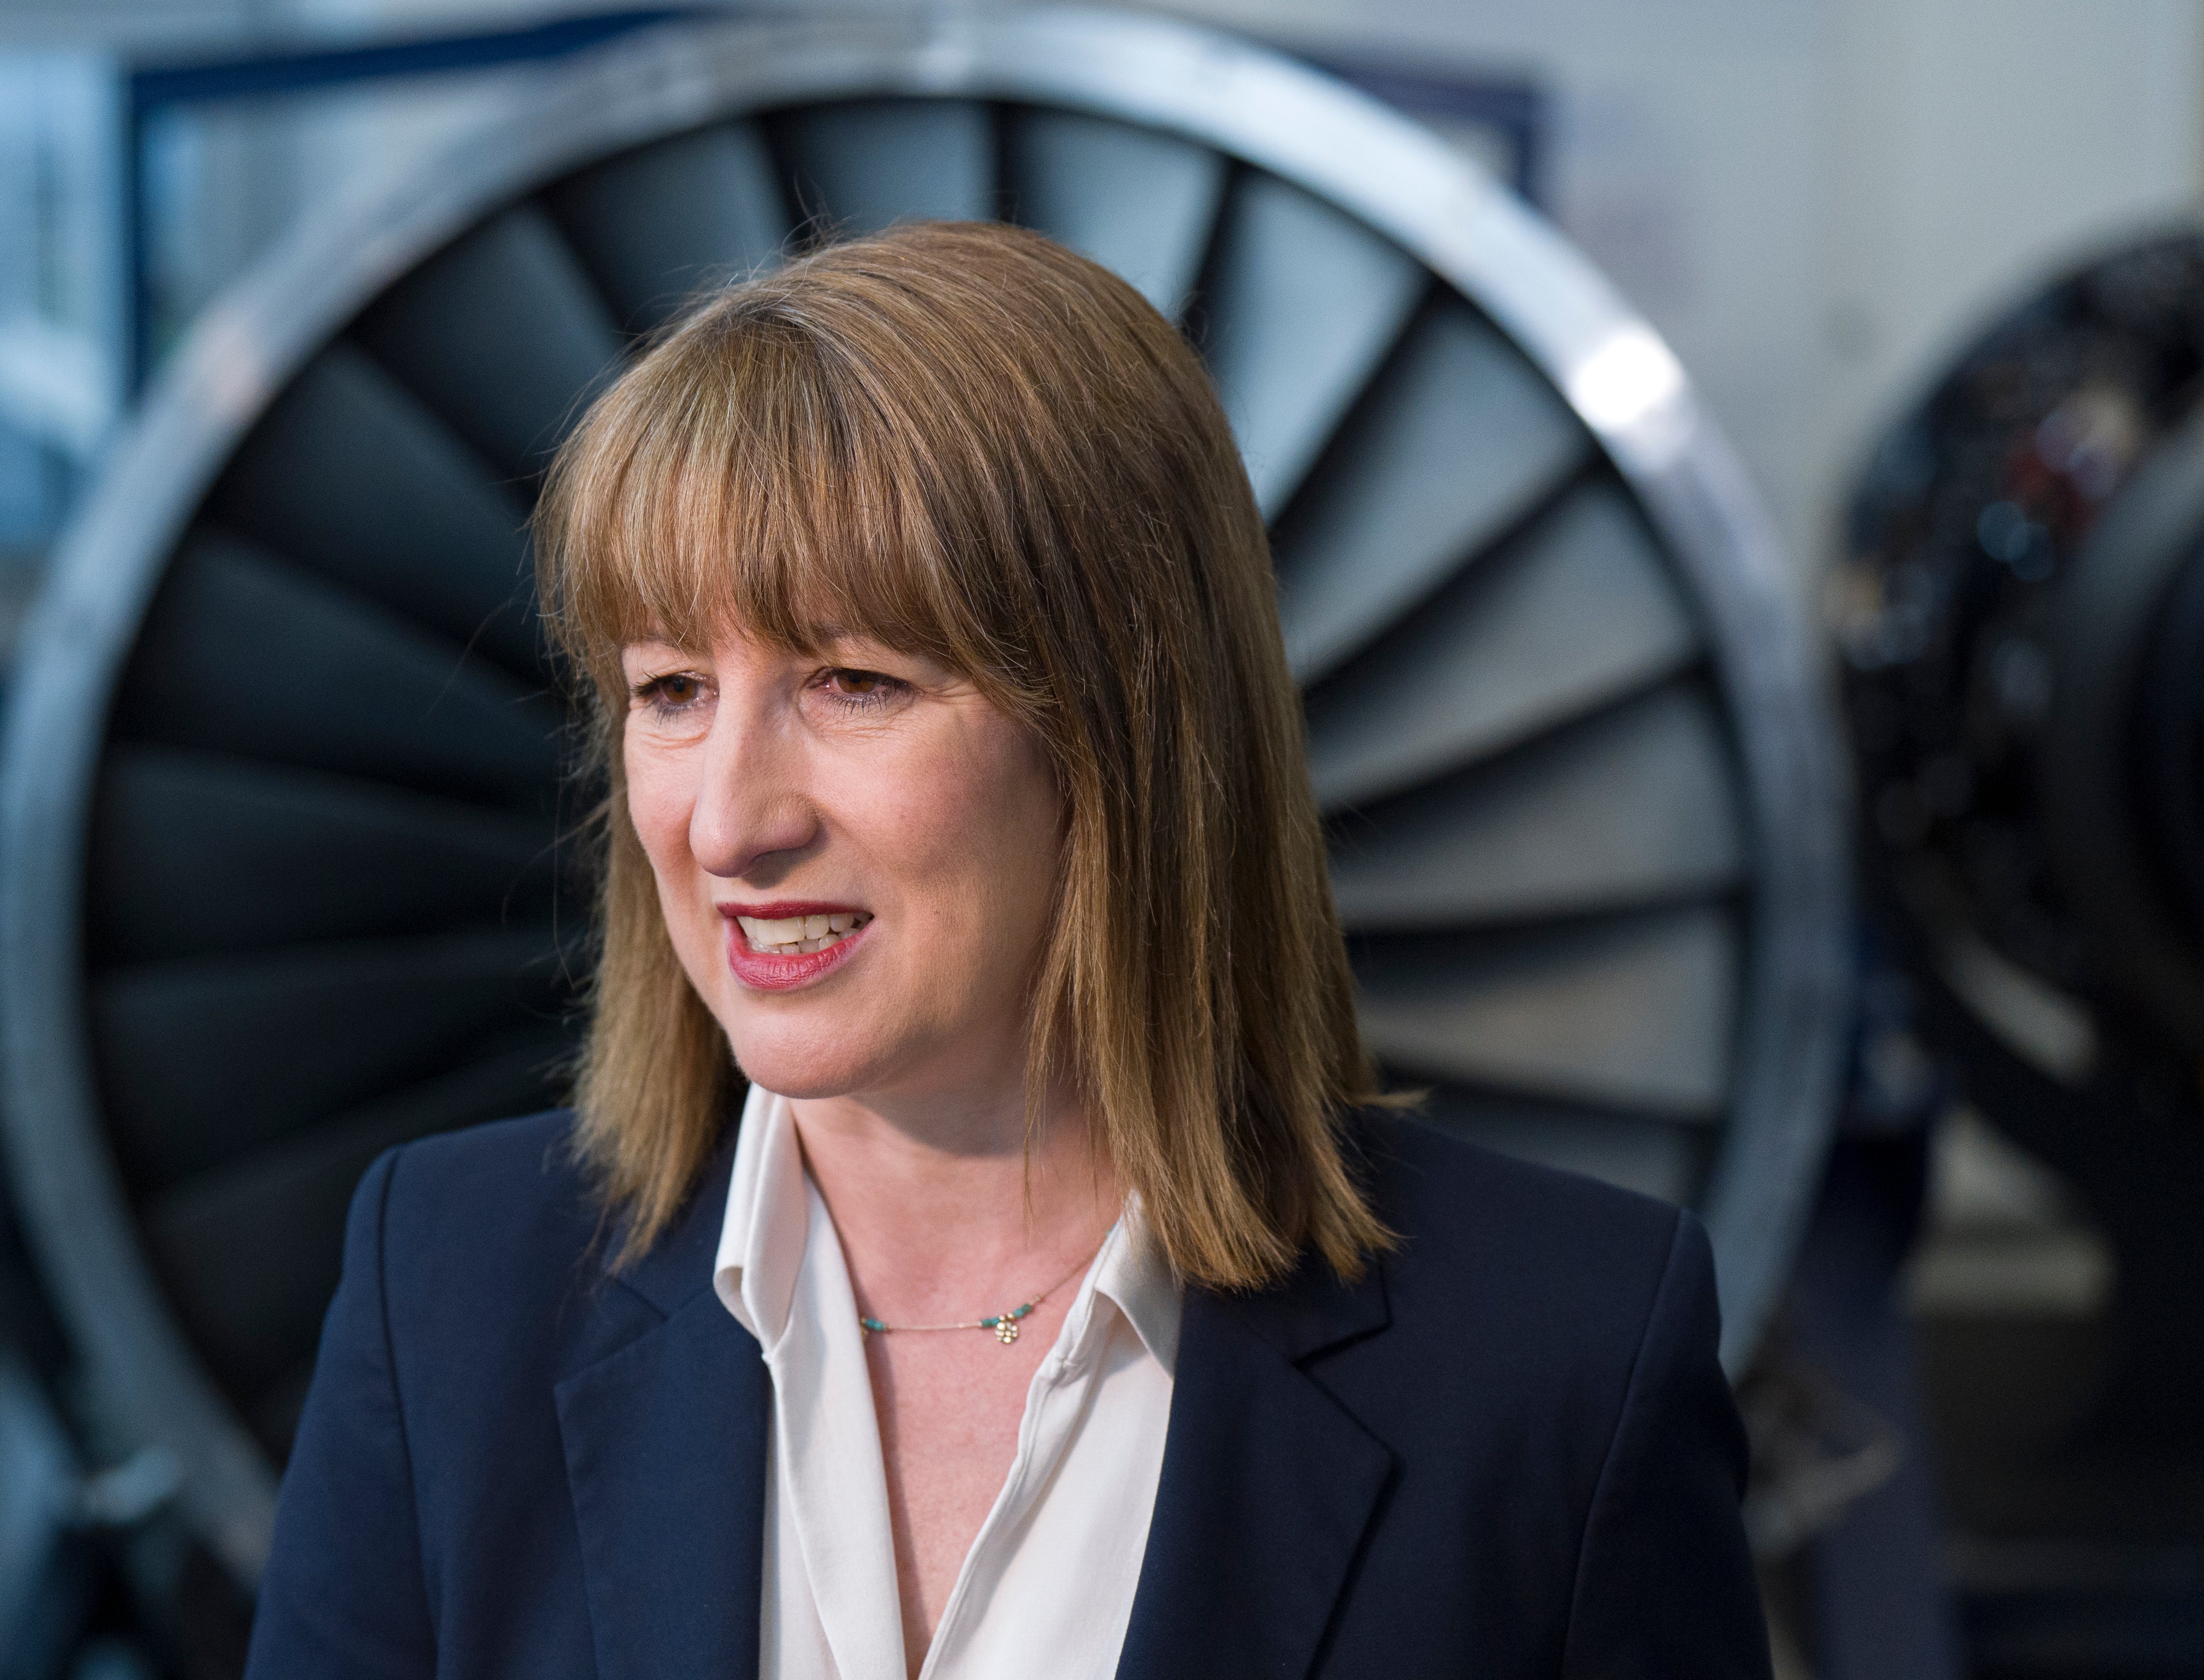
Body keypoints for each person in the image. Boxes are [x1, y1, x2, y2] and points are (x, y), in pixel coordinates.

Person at [244, 221, 1769, 1680]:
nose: (726, 824)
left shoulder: (1562, 1355)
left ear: (1125, 735)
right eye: (670, 688)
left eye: (855, 682)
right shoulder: (445, 1286)